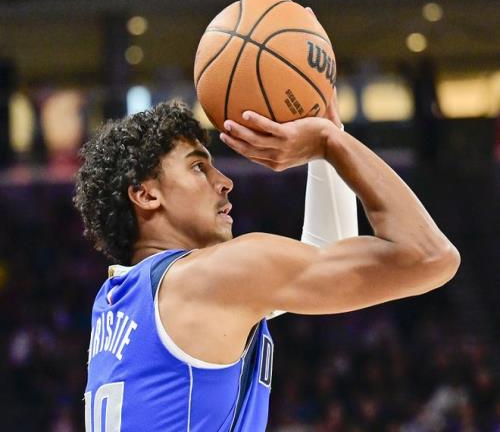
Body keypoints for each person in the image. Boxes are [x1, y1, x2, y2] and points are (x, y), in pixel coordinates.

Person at [74, 89, 460, 431]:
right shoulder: (210, 278)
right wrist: (330, 143)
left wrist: (328, 138)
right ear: (145, 195)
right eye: (198, 167)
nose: (224, 181)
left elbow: (325, 256)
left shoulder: (116, 298)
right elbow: (429, 256)